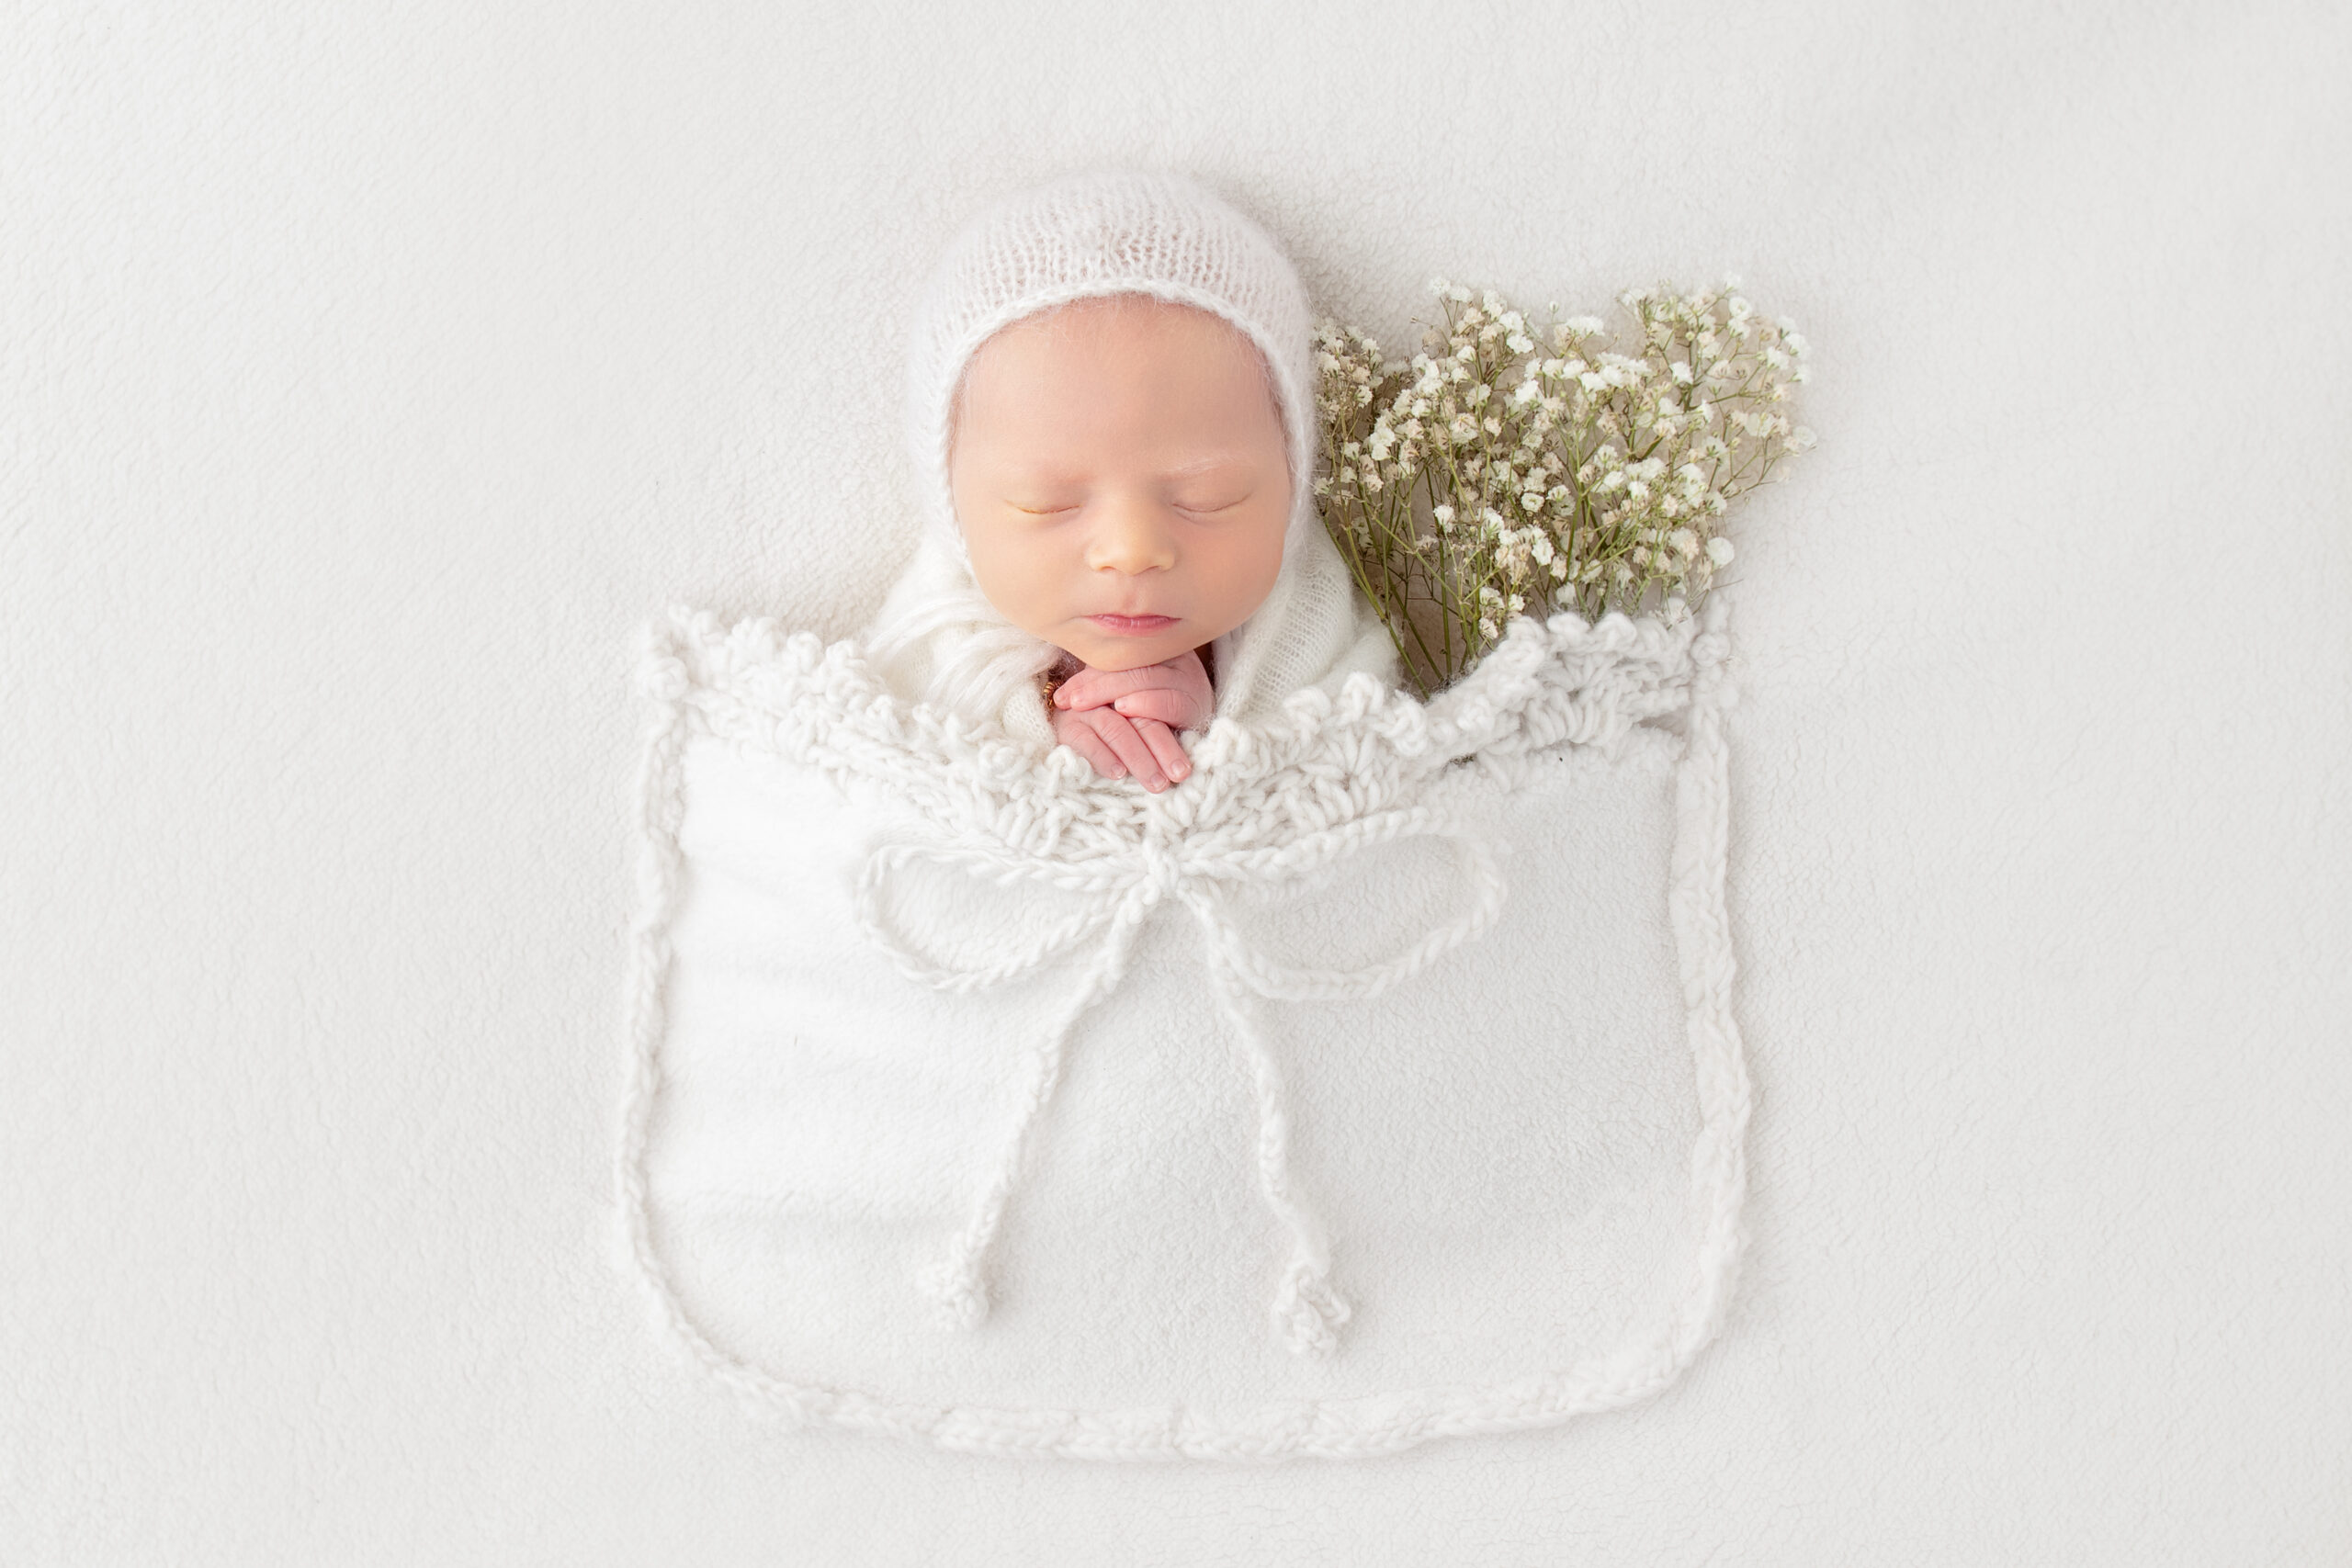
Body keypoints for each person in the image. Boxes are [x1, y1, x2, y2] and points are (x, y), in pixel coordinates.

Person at [863, 169, 1393, 789]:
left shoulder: (1315, 632)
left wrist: (1215, 725)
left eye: (1208, 497)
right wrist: (1044, 724)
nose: (1132, 550)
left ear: (1292, 488)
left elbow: (1358, 756)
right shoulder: (933, 649)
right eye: (1044, 502)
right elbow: (895, 772)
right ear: (953, 509)